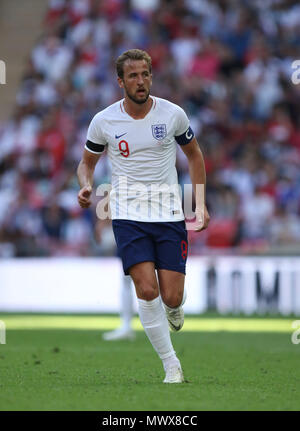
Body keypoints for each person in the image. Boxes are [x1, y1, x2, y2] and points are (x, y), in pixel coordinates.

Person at [77, 49, 210, 383]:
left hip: (167, 214)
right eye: (133, 76)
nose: (140, 81)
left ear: (151, 76)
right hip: (127, 214)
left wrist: (200, 203)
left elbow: (194, 155)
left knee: (172, 296)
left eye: (145, 74)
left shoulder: (173, 114)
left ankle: (174, 307)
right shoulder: (104, 121)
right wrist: (86, 185)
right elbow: (86, 163)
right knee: (146, 290)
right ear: (120, 81)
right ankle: (171, 366)